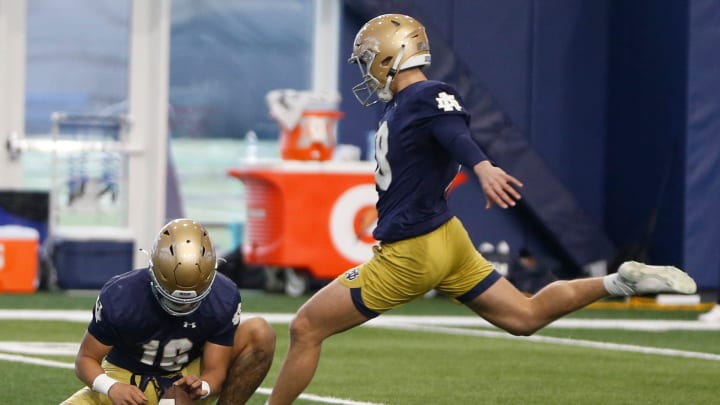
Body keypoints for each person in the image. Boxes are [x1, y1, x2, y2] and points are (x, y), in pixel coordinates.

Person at [266, 14, 697, 404]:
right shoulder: (403, 104)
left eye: (367, 60)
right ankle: (618, 281)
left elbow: (452, 131)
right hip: (446, 238)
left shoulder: (425, 95)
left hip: (413, 251)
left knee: (306, 327)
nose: (364, 71)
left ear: (388, 56)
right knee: (525, 316)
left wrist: (484, 166)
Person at [62, 218, 276, 405]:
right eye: (171, 298)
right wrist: (111, 387)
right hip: (124, 377)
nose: (181, 308)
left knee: (260, 332)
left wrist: (203, 386)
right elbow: (85, 360)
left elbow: (216, 371)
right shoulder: (121, 295)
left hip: (183, 379)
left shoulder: (223, 295)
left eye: (191, 301)